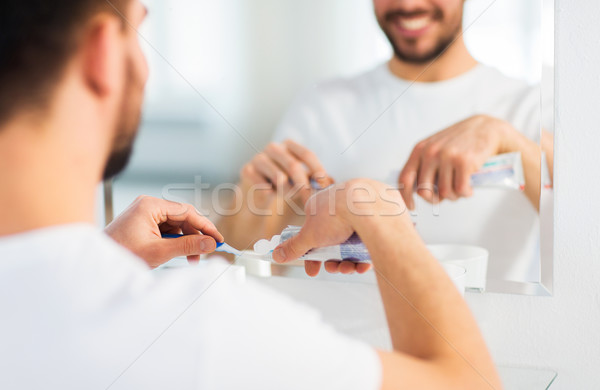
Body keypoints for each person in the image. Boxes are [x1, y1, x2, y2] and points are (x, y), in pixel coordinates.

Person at [0, 0, 503, 389]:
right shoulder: (204, 332)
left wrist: (107, 258)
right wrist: (380, 211)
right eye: (140, 28)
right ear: (103, 52)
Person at [218, 0, 554, 281]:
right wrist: (252, 193)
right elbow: (231, 263)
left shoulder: (529, 108)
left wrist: (509, 142)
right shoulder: (322, 104)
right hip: (328, 350)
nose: (407, 5)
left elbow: (585, 237)